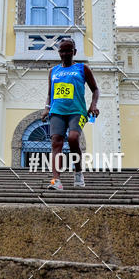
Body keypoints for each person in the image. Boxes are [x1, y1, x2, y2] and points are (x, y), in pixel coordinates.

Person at [41, 38, 99, 190]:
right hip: (57, 111)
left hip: (77, 111)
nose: (65, 53)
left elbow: (95, 89)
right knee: (56, 143)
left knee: (73, 138)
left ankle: (78, 172)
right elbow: (50, 93)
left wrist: (93, 105)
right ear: (59, 53)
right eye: (62, 50)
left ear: (74, 52)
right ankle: (56, 181)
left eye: (69, 50)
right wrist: (46, 108)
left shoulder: (82, 68)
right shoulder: (53, 71)